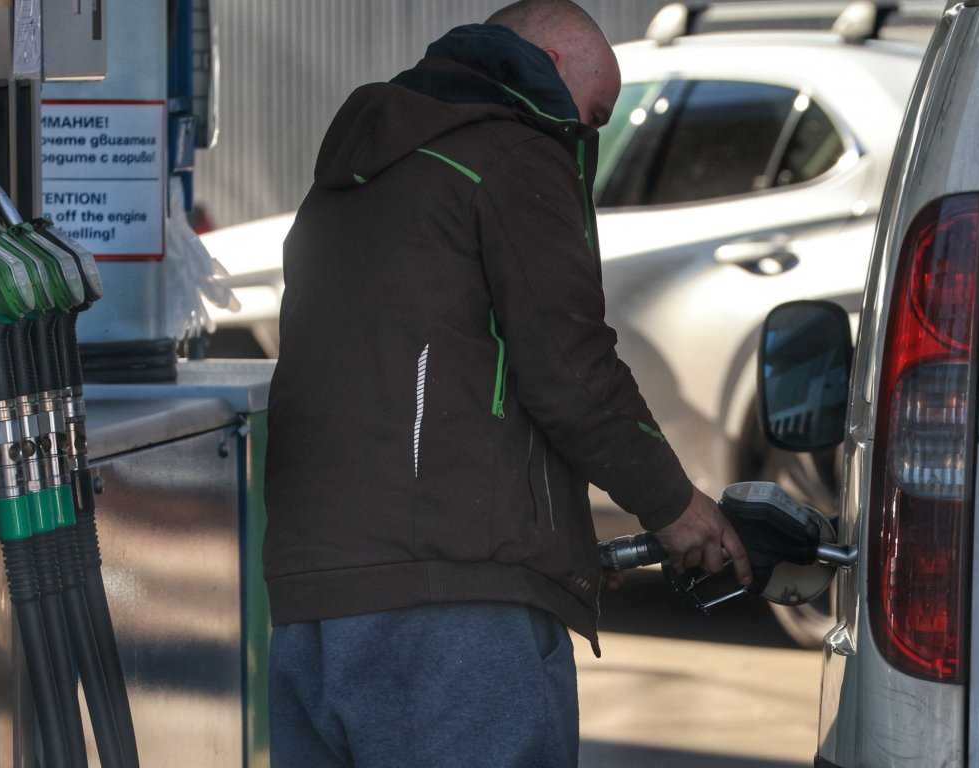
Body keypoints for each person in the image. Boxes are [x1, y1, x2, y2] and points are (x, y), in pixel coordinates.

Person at [262, 1, 752, 765]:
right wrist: (678, 509)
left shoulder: (357, 174)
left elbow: (445, 373)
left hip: (312, 608)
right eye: (593, 115)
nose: (587, 138)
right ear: (552, 65)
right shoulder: (516, 154)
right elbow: (571, 369)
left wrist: (561, 548)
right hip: (453, 616)